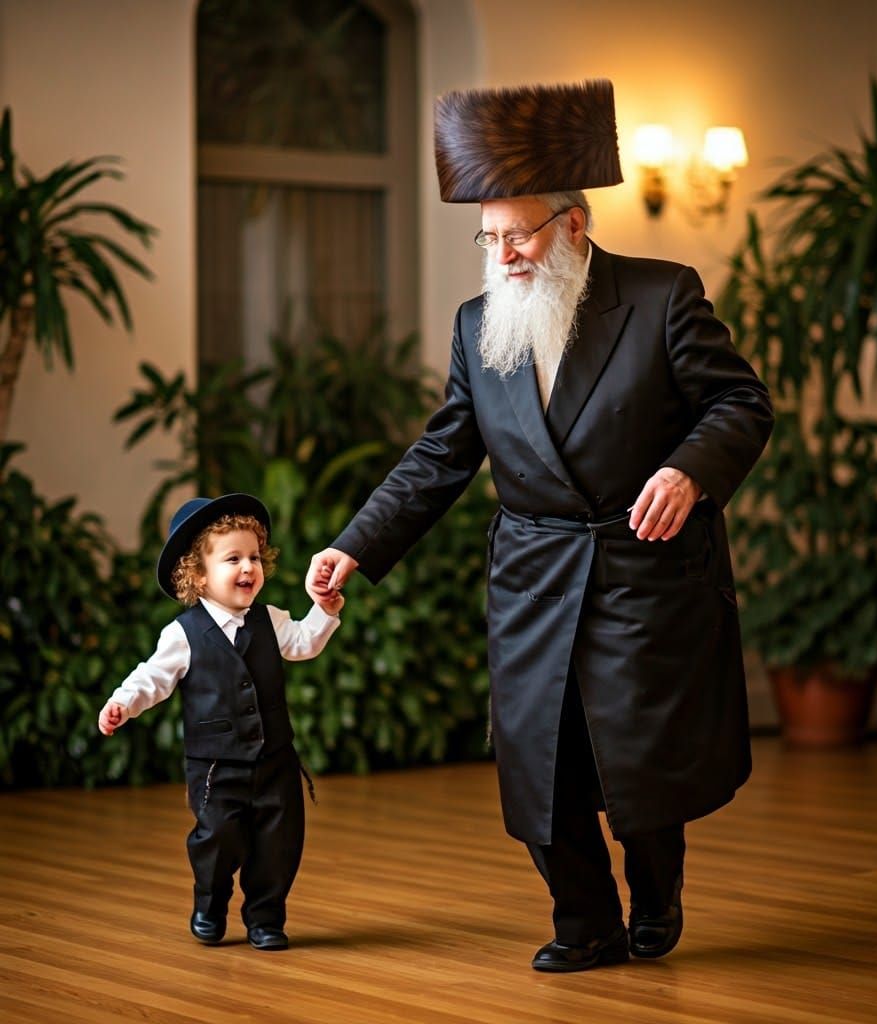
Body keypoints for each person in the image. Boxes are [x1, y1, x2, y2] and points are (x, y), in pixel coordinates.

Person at [306, 79, 774, 972]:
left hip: (642, 567)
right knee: (541, 767)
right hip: (532, 575)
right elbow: (442, 453)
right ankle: (584, 922)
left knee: (639, 767)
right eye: (490, 238)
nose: (504, 253)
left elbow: (740, 402)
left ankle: (656, 893)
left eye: (517, 234)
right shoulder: (479, 325)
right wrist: (354, 547)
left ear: (572, 224)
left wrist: (688, 469)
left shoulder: (662, 296)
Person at [99, 493, 343, 951]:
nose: (248, 567)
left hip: (275, 762)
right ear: (198, 574)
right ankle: (209, 903)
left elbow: (305, 643)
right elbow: (153, 676)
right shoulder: (183, 634)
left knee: (279, 844)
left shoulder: (271, 620)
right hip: (216, 768)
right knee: (217, 840)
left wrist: (324, 610)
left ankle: (266, 918)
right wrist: (122, 703)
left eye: (254, 557)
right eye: (233, 558)